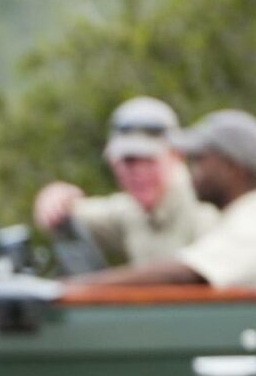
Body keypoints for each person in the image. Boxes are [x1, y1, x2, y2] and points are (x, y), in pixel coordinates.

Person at [67, 108, 256, 289]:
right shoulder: (233, 219)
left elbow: (184, 274)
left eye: (199, 159)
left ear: (231, 168)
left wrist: (75, 289)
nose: (190, 170)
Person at [32, 96, 219, 268]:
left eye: (148, 160)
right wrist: (55, 195)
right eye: (127, 161)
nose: (137, 172)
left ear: (176, 156)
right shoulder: (131, 210)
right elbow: (64, 213)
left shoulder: (206, 209)